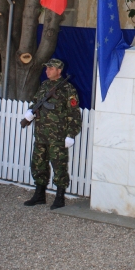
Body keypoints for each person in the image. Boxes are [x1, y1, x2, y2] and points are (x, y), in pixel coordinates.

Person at [23, 58, 81, 210]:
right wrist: (30, 112)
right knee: (38, 165)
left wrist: (71, 134)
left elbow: (74, 114)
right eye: (47, 68)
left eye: (50, 68)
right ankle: (39, 195)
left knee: (59, 166)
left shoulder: (68, 89)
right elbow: (36, 102)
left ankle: (59, 197)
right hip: (41, 134)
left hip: (58, 136)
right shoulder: (44, 86)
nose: (47, 71)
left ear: (59, 70)